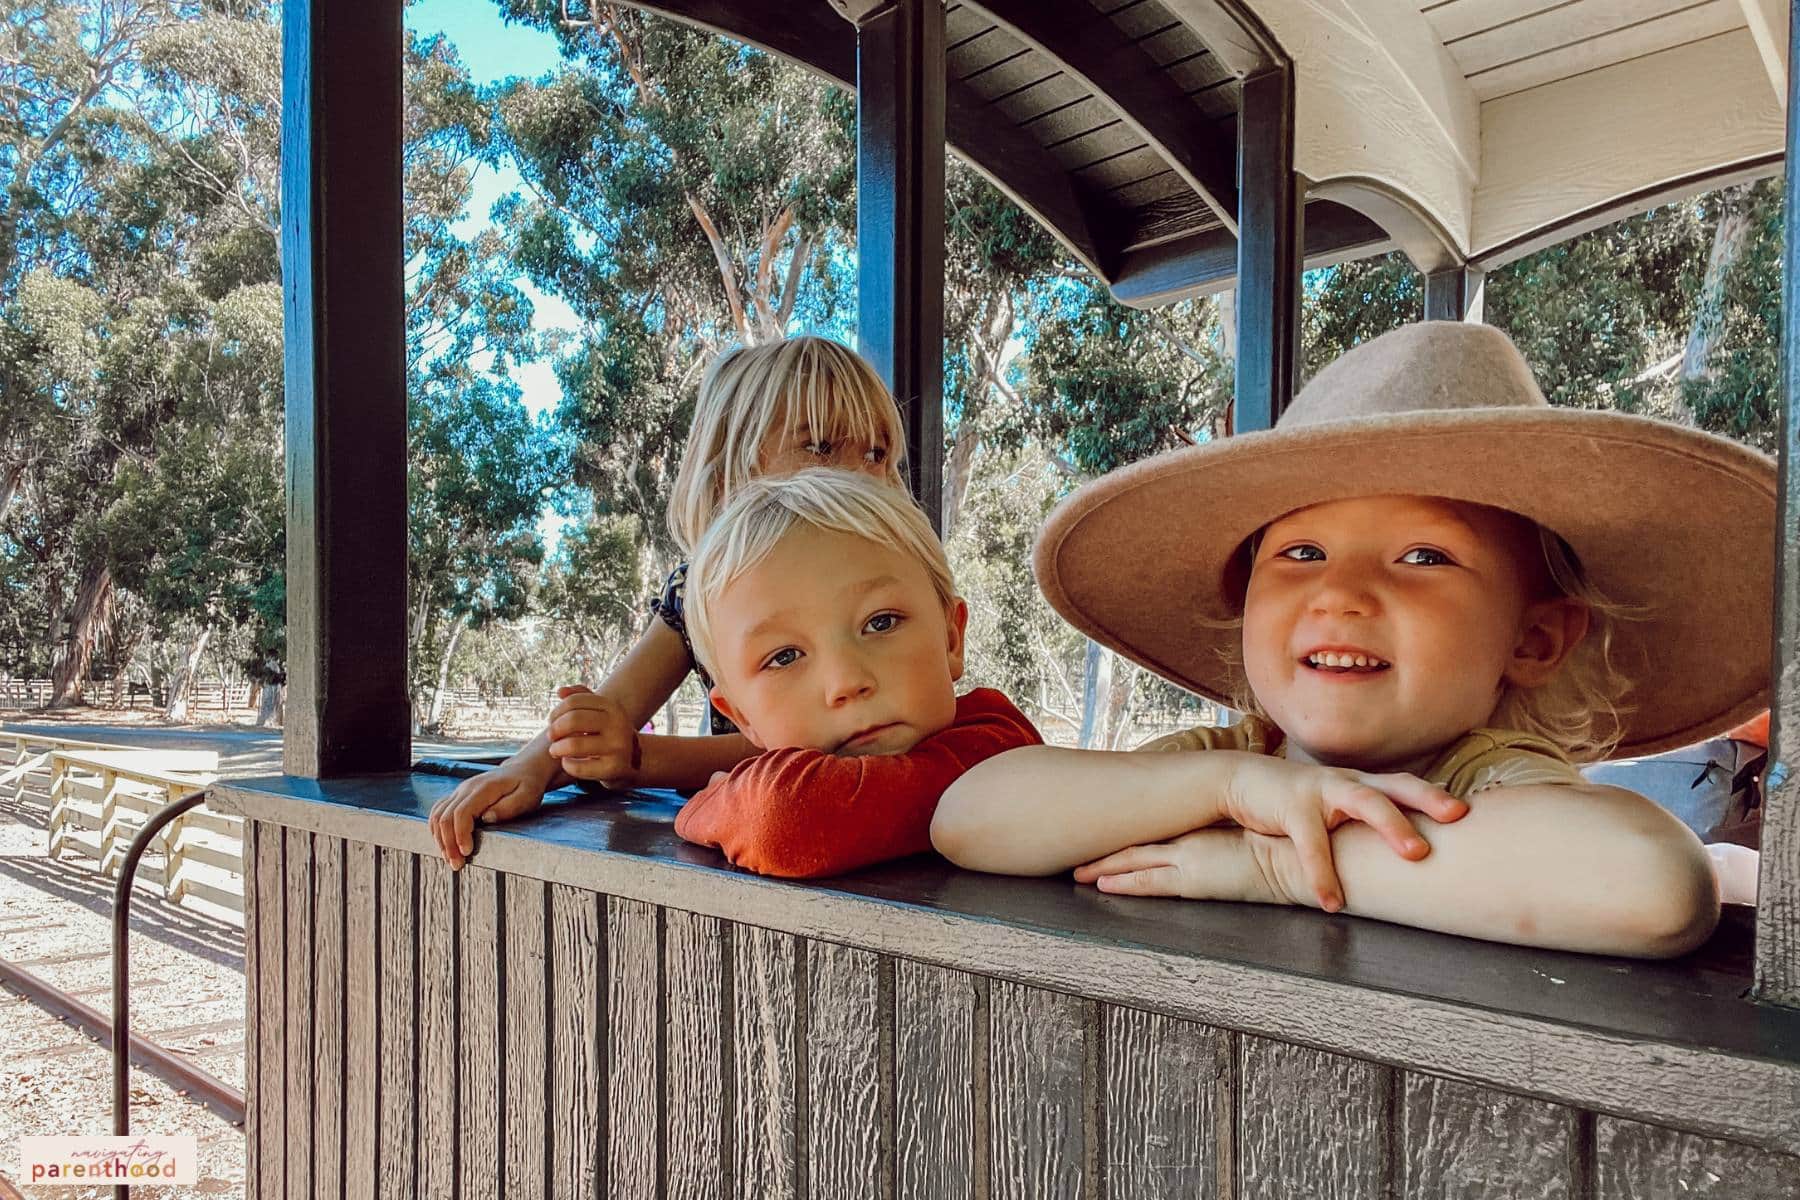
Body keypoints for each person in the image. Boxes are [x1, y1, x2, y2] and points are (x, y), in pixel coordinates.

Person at [931, 322, 1776, 959]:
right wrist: (1226, 788)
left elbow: (1655, 887)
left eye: (1422, 555)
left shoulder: (1489, 773)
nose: (1339, 592)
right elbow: (968, 819)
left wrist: (1285, 870)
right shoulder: (1238, 761)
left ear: (1536, 639)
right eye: (1301, 552)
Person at [429, 336, 907, 870]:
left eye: (877, 453)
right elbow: (617, 705)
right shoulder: (699, 593)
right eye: (819, 446)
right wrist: (529, 769)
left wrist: (641, 759)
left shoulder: (894, 582)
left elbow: (816, 745)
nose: (862, 474)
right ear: (730, 479)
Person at [671, 469, 1042, 877]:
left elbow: (785, 820)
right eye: (785, 656)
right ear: (740, 716)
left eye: (881, 622)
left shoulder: (998, 744)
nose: (846, 681)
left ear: (951, 637)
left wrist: (716, 802)